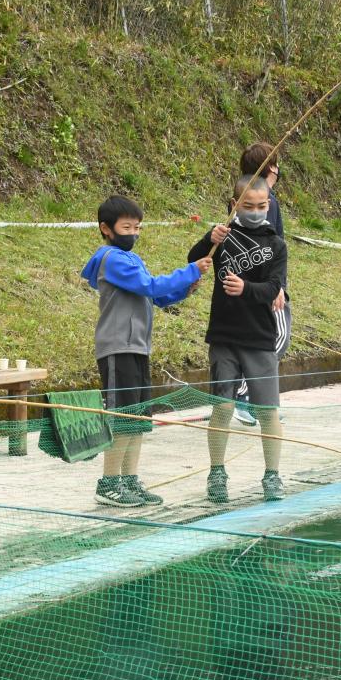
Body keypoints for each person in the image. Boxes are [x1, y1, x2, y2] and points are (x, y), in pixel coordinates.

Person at [81, 195, 210, 507]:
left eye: (138, 227)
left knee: (138, 419)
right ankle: (109, 483)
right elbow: (150, 286)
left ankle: (129, 480)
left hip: (138, 347)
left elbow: (157, 297)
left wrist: (185, 287)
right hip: (118, 348)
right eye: (127, 227)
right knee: (123, 416)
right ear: (106, 229)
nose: (134, 233)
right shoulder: (112, 259)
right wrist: (190, 270)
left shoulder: (132, 261)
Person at [188, 175, 288, 503]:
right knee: (223, 406)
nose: (255, 212)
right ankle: (217, 473)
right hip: (223, 336)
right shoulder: (224, 236)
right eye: (248, 206)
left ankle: (272, 474)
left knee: (267, 410)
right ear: (234, 206)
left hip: (259, 337)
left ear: (269, 206)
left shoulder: (276, 244)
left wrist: (247, 290)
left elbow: (275, 288)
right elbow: (195, 260)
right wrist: (207, 238)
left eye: (261, 206)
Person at [232, 142, 289, 427]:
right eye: (276, 165)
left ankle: (252, 399)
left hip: (246, 284)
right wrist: (275, 287)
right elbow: (271, 244)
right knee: (275, 340)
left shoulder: (243, 197)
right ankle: (243, 397)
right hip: (264, 286)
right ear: (270, 168)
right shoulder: (267, 202)